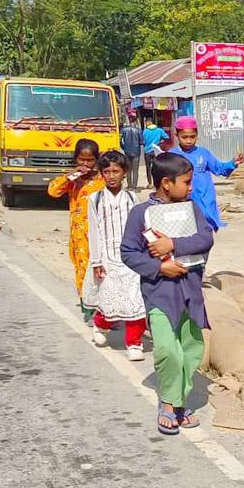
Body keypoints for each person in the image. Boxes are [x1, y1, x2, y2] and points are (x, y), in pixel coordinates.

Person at [120, 152, 212, 434]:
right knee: (166, 350)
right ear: (166, 183)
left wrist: (172, 243)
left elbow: (205, 238)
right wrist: (161, 268)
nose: (191, 187)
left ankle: (179, 400)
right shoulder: (141, 213)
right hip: (159, 292)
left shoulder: (192, 208)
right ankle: (170, 405)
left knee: (191, 349)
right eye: (186, 182)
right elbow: (128, 253)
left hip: (190, 290)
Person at [83, 150, 148, 361]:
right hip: (107, 257)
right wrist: (96, 261)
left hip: (131, 256)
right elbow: (94, 230)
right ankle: (101, 324)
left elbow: (142, 225)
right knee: (110, 299)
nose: (111, 176)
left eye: (116, 171)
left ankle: (134, 343)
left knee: (135, 299)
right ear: (101, 173)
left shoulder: (131, 198)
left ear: (124, 173)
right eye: (107, 171)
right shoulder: (95, 199)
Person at [46, 138, 105, 322]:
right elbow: (53, 191)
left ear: (97, 160)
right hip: (78, 235)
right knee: (81, 267)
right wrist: (71, 175)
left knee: (99, 268)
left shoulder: (103, 180)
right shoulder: (72, 180)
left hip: (99, 233)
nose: (85, 164)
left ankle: (103, 305)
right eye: (81, 160)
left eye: (90, 160)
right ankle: (86, 304)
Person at [168, 115, 244, 230]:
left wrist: (233, 163)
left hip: (205, 201)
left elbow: (219, 169)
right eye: (184, 137)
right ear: (176, 135)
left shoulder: (203, 153)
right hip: (183, 202)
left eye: (192, 137)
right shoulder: (172, 155)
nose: (189, 140)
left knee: (204, 235)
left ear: (197, 135)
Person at [140, 115, 169, 189]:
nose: (146, 124)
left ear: (148, 122)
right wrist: (160, 141)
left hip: (147, 152)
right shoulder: (159, 130)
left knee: (148, 168)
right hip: (156, 150)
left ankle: (150, 184)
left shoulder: (145, 131)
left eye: (146, 122)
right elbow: (167, 137)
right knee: (157, 167)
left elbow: (143, 141)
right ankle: (158, 183)